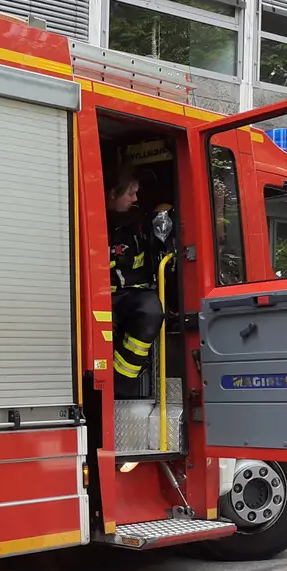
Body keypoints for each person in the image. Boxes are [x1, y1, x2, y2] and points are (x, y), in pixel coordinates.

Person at [106, 167, 164, 399]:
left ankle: (121, 382)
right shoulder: (87, 219)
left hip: (130, 297)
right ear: (112, 193)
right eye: (130, 193)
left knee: (150, 310)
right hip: (97, 298)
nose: (135, 198)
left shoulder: (137, 223)